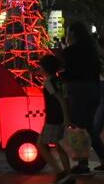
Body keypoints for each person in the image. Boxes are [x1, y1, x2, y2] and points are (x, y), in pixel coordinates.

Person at [61, 22, 104, 175]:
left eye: (69, 32)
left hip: (78, 91)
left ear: (73, 34)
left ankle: (83, 165)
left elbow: (67, 74)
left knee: (80, 129)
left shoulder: (70, 52)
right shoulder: (91, 51)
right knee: (89, 128)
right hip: (94, 90)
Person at [37, 54, 73, 183]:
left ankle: (60, 172)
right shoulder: (58, 80)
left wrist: (66, 118)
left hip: (53, 118)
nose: (39, 69)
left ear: (45, 68)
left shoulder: (48, 83)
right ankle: (67, 174)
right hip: (58, 117)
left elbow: (61, 100)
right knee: (58, 145)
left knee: (41, 144)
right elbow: (65, 99)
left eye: (40, 66)